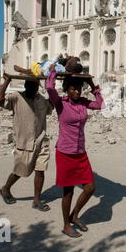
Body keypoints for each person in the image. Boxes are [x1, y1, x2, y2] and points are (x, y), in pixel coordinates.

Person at [45, 64, 104, 238]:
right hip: (64, 153)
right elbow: (49, 87)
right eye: (73, 89)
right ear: (67, 90)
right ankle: (65, 225)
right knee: (68, 191)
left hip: (80, 153)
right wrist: (54, 70)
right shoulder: (60, 103)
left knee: (90, 188)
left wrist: (92, 85)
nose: (77, 92)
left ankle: (74, 215)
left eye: (78, 89)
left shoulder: (84, 103)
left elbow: (100, 104)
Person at [0, 73, 53, 212]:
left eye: (35, 85)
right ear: (25, 85)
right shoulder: (16, 97)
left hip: (41, 140)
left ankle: (36, 200)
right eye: (29, 85)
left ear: (38, 87)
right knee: (20, 171)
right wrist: (7, 81)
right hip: (24, 142)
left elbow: (52, 107)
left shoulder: (42, 100)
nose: (32, 88)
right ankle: (5, 189)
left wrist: (52, 85)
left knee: (40, 171)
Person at [14, 55, 83, 77]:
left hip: (44, 70)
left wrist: (53, 65)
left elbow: (49, 72)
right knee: (32, 70)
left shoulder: (63, 70)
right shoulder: (63, 68)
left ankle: (23, 71)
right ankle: (23, 71)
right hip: (44, 67)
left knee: (32, 70)